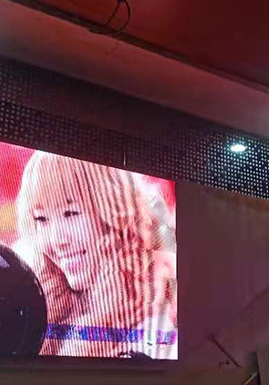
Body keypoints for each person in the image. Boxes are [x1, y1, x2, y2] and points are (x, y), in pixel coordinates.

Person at [15, 151, 177, 359]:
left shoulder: (163, 314)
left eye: (71, 213)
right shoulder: (40, 305)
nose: (57, 240)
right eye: (41, 219)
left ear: (114, 212)